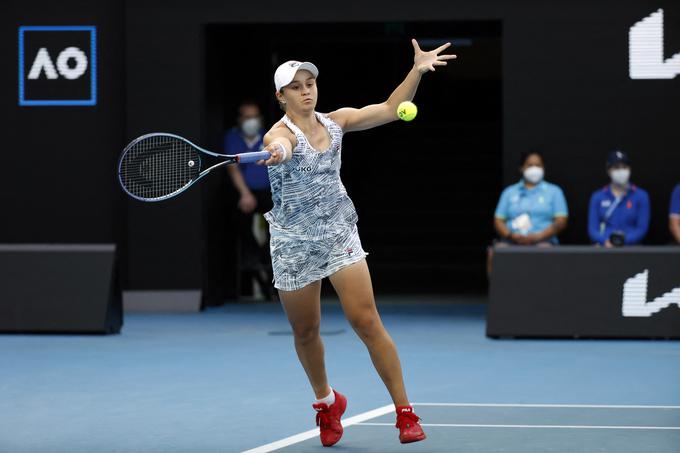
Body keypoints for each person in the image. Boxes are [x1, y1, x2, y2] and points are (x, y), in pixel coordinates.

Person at [257, 40, 456, 446]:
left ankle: (404, 413)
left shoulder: (336, 121)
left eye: (310, 83)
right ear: (281, 97)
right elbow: (280, 145)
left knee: (367, 321)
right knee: (306, 332)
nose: (306, 90)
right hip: (293, 244)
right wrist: (277, 152)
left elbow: (388, 108)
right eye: (296, 87)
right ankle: (327, 403)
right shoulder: (278, 134)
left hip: (339, 235)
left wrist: (416, 71)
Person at [487, 150, 568, 274]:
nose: (534, 169)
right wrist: (511, 235)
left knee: (545, 250)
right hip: (512, 241)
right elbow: (498, 220)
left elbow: (561, 221)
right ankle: (499, 292)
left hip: (543, 241)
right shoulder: (509, 192)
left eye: (538, 165)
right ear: (521, 168)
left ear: (543, 168)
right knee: (496, 252)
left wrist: (538, 236)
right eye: (530, 165)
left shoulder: (554, 191)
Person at [224, 102, 274, 299]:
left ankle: (266, 258)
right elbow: (232, 168)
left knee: (278, 225)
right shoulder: (232, 137)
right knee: (239, 222)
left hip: (269, 194)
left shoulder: (269, 135)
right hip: (245, 193)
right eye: (247, 116)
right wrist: (245, 193)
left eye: (255, 116)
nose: (251, 121)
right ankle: (255, 260)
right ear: (240, 119)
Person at [588, 151, 650, 247]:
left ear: (630, 169)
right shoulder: (598, 196)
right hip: (605, 248)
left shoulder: (641, 196)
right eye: (616, 168)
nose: (621, 171)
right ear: (609, 171)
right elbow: (592, 229)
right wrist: (605, 241)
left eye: (624, 167)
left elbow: (641, 229)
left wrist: (622, 241)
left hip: (632, 248)